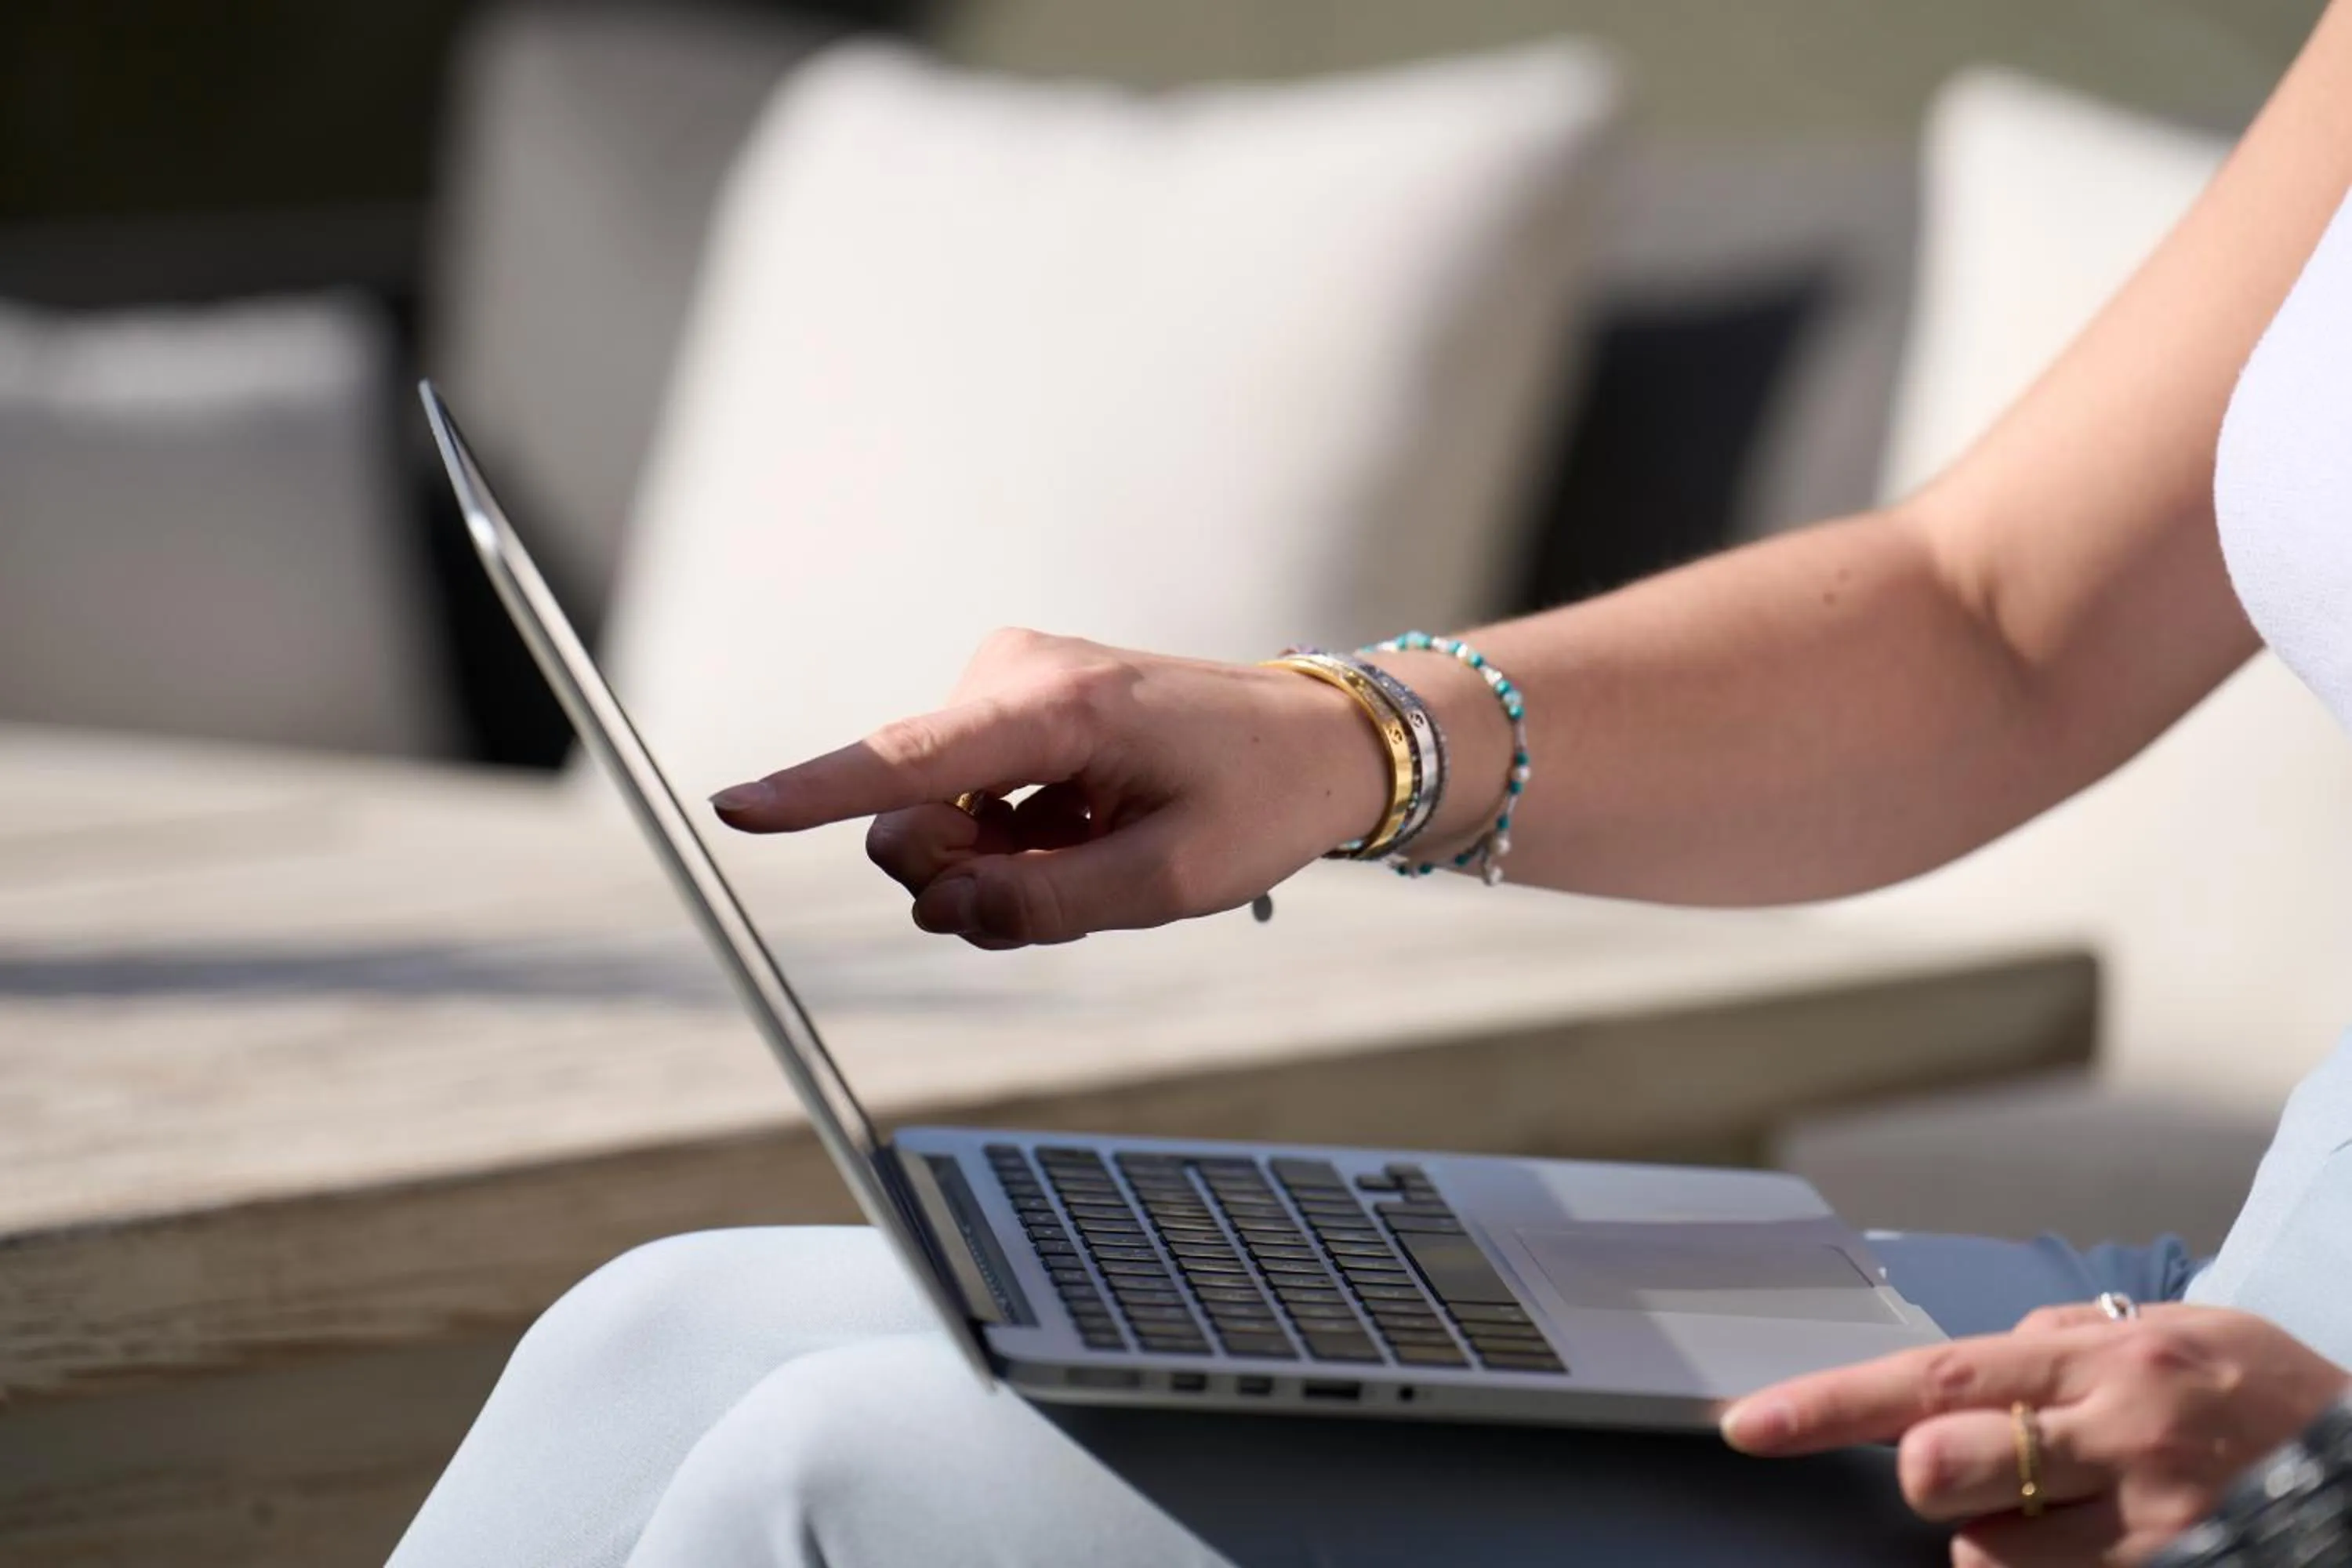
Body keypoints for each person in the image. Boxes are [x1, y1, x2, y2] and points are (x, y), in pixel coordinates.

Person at [390, 4, 2352, 1564]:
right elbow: (1991, 618)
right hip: (2192, 1321)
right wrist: (1339, 740)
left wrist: (2327, 1470)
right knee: (660, 1339)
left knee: (853, 1484)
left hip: (2284, 1452)